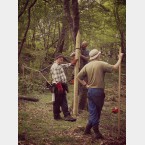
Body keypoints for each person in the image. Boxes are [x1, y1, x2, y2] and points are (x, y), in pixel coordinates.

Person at [76, 49, 123, 139]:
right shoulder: (101, 63)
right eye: (99, 55)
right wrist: (120, 58)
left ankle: (87, 130)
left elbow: (78, 76)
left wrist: (85, 85)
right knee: (96, 112)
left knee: (93, 111)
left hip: (90, 91)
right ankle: (96, 131)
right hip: (98, 91)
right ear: (97, 56)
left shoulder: (87, 65)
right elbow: (115, 67)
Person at [50, 53, 77, 122]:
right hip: (58, 86)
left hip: (61, 85)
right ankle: (62, 116)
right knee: (58, 102)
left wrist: (72, 63)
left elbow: (65, 65)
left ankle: (61, 115)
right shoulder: (55, 66)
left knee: (62, 101)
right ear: (56, 59)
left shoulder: (59, 65)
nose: (61, 59)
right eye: (60, 58)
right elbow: (56, 78)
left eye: (62, 58)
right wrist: (59, 87)